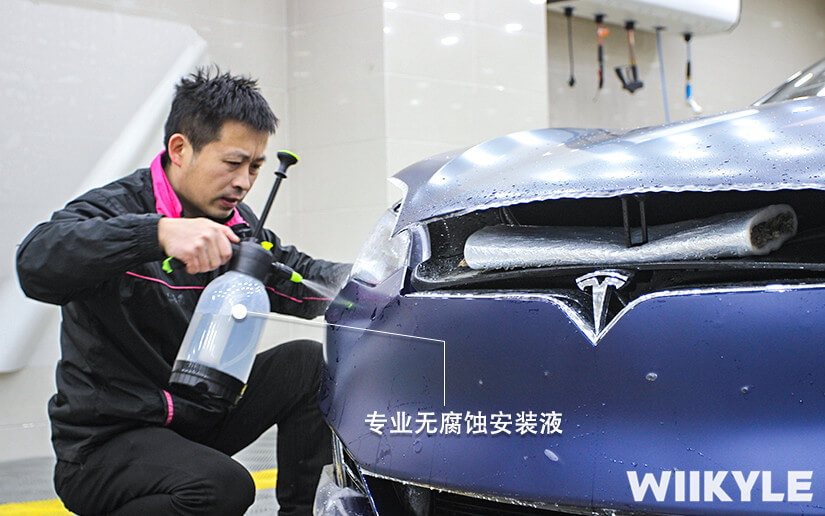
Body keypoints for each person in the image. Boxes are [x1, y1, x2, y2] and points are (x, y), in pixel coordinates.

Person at [16, 68, 350, 515]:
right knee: (222, 488)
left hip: (195, 418)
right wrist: (157, 233)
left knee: (308, 363)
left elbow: (300, 275)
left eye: (255, 166)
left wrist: (373, 279)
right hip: (105, 444)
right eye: (232, 163)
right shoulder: (116, 208)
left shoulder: (238, 226)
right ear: (180, 149)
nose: (244, 181)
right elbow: (35, 260)